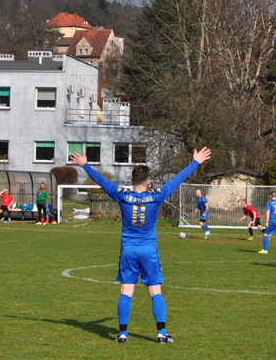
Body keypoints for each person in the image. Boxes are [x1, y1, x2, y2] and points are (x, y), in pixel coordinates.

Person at [70, 146, 212, 344]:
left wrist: (85, 165)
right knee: (155, 291)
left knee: (126, 291)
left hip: (128, 249)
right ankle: (161, 333)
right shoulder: (157, 195)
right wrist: (195, 161)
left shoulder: (122, 194)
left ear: (131, 181)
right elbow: (177, 180)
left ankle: (122, 334)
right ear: (149, 181)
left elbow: (102, 182)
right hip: (148, 250)